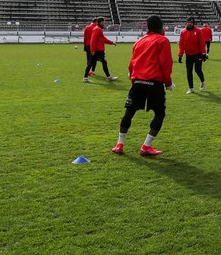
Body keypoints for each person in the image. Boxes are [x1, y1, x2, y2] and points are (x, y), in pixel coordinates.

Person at [111, 14, 173, 157]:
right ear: (161, 27)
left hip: (138, 82)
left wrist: (133, 78)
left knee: (129, 112)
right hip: (154, 83)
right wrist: (168, 83)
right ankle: (146, 146)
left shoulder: (139, 41)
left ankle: (119, 144)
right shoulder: (162, 41)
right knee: (159, 114)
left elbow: (132, 63)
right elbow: (165, 64)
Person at [177, 17, 207, 93]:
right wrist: (180, 55)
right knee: (189, 71)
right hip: (188, 55)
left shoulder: (198, 31)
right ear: (186, 23)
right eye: (188, 22)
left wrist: (203, 53)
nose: (189, 23)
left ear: (193, 23)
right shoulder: (183, 32)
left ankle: (202, 81)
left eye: (191, 22)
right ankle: (191, 88)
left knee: (198, 70)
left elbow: (202, 43)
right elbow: (181, 45)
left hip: (198, 54)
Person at [84, 18, 118, 82]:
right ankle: (109, 77)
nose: (104, 24)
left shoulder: (98, 29)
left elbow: (103, 39)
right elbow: (92, 40)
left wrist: (112, 42)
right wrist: (92, 50)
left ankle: (85, 78)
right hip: (98, 51)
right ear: (99, 22)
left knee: (91, 63)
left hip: (98, 50)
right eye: (103, 22)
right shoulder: (97, 29)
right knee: (102, 63)